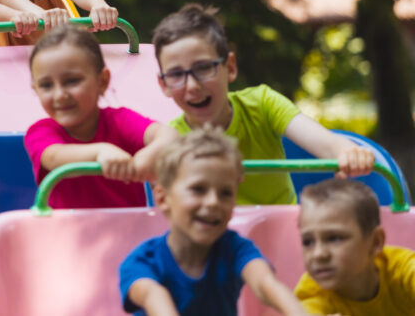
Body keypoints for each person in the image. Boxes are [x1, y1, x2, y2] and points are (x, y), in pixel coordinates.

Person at [153, 3, 375, 205]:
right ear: (163, 84)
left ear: (230, 67)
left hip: (282, 236)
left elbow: (329, 145)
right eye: (176, 74)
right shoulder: (171, 140)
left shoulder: (262, 104)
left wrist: (347, 153)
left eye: (203, 68)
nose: (191, 86)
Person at [120, 127, 309, 315]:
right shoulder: (143, 261)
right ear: (162, 198)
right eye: (198, 189)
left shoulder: (235, 248)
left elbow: (265, 284)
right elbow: (154, 297)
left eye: (225, 193)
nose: (213, 202)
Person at [24, 25, 178, 208]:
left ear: (102, 81)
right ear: (36, 89)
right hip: (68, 232)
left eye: (72, 81)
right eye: (47, 85)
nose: (59, 95)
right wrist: (100, 152)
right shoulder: (41, 132)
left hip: (129, 230)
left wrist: (147, 156)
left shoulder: (120, 121)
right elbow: (54, 157)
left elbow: (169, 136)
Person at [295, 178, 415, 314]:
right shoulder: (312, 295)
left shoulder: (401, 270)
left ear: (375, 241)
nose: (319, 254)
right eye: (308, 242)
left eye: (334, 238)